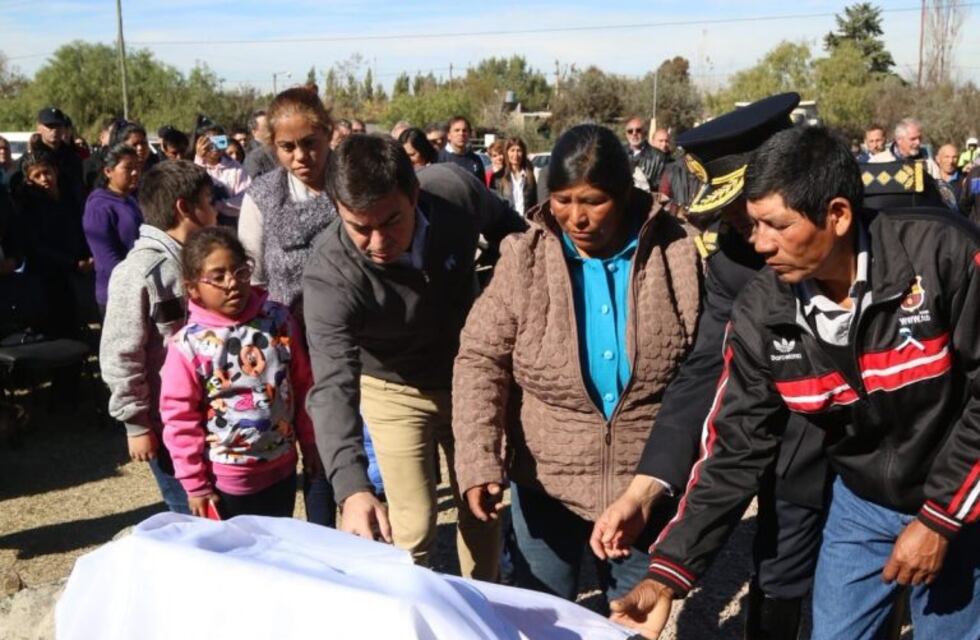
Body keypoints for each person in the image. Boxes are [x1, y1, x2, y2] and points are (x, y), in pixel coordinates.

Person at [610, 125, 980, 640]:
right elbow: (736, 448)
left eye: (774, 225)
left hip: (963, 500)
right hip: (863, 502)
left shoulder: (944, 257)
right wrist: (668, 574)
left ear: (838, 215)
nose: (759, 244)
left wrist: (941, 520)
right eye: (751, 225)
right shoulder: (762, 311)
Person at [594, 93, 830, 640]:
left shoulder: (898, 235)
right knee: (779, 577)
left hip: (893, 469)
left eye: (741, 209)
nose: (740, 229)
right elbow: (707, 371)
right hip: (788, 450)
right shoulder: (733, 259)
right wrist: (645, 489)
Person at [453, 123, 700, 604]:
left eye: (593, 201)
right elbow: (480, 358)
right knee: (544, 613)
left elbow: (700, 367)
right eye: (563, 200)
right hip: (547, 482)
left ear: (626, 194)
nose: (576, 217)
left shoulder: (677, 255)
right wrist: (479, 457)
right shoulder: (525, 260)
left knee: (632, 617)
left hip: (642, 485)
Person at [302, 135, 526, 579]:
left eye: (391, 221)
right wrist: (351, 488)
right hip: (392, 388)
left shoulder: (455, 192)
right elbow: (332, 384)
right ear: (337, 210)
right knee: (413, 524)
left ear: (415, 194)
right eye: (359, 228)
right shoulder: (329, 273)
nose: (378, 241)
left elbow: (513, 231)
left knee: (482, 508)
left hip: (471, 382)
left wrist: (511, 288)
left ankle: (481, 610)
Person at [160, 227, 316, 519]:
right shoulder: (188, 346)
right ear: (192, 287)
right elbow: (180, 418)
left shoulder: (278, 321)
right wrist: (195, 484)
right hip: (228, 479)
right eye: (217, 277)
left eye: (240, 272)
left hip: (282, 467)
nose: (232, 284)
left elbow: (303, 383)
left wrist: (311, 444)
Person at [237, 86, 340, 527]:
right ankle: (318, 542)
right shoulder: (262, 196)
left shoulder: (351, 181)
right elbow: (252, 277)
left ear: (328, 136)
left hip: (354, 341)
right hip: (288, 346)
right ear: (273, 146)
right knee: (310, 447)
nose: (301, 156)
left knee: (347, 446)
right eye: (287, 147)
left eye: (310, 143)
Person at [100, 160, 218, 516]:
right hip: (168, 422)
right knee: (191, 515)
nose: (216, 209)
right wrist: (135, 422)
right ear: (185, 207)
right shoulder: (139, 272)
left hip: (211, 414)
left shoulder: (203, 259)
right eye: (210, 201)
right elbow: (121, 353)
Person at [15, 145, 92, 338]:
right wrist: (73, 263)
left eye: (46, 172)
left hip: (78, 271)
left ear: (55, 170)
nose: (44, 179)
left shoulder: (70, 196)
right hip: (47, 277)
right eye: (37, 175)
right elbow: (36, 245)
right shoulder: (29, 206)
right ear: (29, 180)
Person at [82, 143, 144, 314]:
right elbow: (106, 258)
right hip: (117, 294)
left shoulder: (130, 199)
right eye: (128, 168)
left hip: (140, 289)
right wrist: (135, 283)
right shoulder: (99, 206)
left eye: (137, 167)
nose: (135, 173)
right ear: (108, 171)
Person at [194, 123, 251, 226]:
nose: (215, 148)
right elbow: (194, 187)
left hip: (230, 223)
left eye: (220, 142)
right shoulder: (194, 165)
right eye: (210, 144)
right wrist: (199, 160)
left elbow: (246, 197)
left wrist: (220, 205)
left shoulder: (236, 168)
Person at [489, 137, 537, 216]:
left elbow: (534, 202)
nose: (515, 154)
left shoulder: (530, 176)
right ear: (506, 153)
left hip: (527, 223)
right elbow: (494, 205)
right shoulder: (498, 178)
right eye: (512, 150)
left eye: (519, 150)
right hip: (507, 224)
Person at [623, 117, 669, 193]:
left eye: (638, 130)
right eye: (630, 131)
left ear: (644, 133)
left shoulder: (659, 157)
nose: (634, 134)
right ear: (626, 134)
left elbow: (662, 187)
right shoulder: (619, 154)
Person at [437, 116, 484, 182]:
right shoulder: (439, 158)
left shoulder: (476, 160)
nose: (461, 134)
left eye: (464, 130)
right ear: (448, 135)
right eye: (457, 130)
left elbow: (482, 188)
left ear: (469, 134)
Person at [243, 110, 279, 179]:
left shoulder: (279, 148)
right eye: (267, 126)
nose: (272, 129)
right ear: (254, 131)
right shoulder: (251, 156)